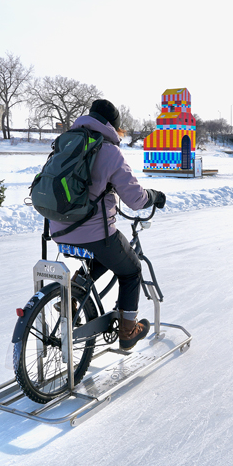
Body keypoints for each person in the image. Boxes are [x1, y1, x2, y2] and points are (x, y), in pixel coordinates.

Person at [49, 99, 166, 350]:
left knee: (106, 254)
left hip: (58, 228)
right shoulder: (110, 151)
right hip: (93, 232)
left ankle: (73, 293)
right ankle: (128, 332)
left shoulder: (67, 142)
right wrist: (154, 196)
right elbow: (135, 200)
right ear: (113, 125)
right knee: (131, 269)